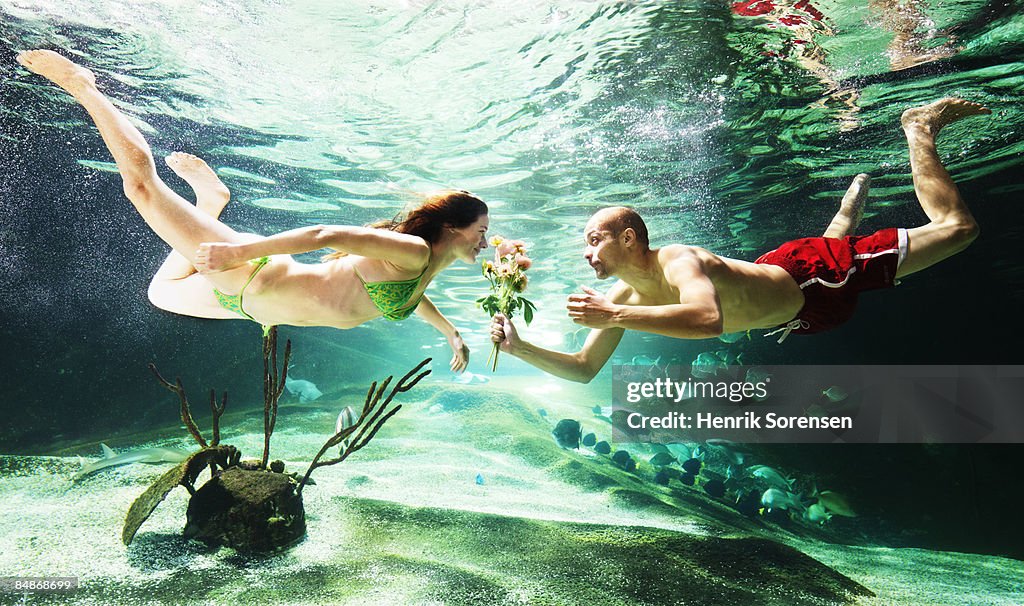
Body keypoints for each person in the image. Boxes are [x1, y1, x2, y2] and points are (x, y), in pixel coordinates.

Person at [16, 49, 487, 373]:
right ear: (452, 227)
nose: (487, 242)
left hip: (244, 306)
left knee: (160, 293)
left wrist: (451, 333)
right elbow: (324, 234)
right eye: (481, 230)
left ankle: (211, 202)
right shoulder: (411, 250)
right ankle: (84, 87)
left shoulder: (424, 271)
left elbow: (407, 299)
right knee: (142, 187)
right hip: (252, 275)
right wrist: (235, 255)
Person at [491, 97, 989, 383]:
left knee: (957, 231)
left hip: (816, 279)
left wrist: (615, 315)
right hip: (799, 306)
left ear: (628, 238)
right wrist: (520, 348)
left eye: (595, 238)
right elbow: (583, 369)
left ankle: (918, 128)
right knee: (831, 246)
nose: (586, 250)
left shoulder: (678, 261)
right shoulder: (621, 295)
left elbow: (709, 322)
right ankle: (846, 213)